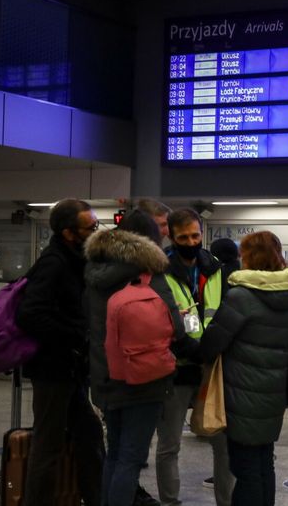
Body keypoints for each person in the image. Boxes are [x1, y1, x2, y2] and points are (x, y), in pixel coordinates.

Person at [84, 211, 197, 506]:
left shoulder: (95, 271)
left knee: (115, 454)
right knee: (131, 460)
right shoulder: (149, 272)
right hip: (142, 379)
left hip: (105, 375)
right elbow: (175, 329)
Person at [15, 199, 104, 506]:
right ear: (69, 233)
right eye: (90, 227)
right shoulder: (53, 262)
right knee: (48, 445)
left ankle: (96, 498)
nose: (96, 231)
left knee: (90, 436)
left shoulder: (76, 259)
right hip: (52, 371)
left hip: (70, 368)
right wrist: (75, 335)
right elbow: (30, 314)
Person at [199, 231, 288, 506]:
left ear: (249, 257)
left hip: (241, 394)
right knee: (265, 463)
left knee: (245, 470)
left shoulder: (241, 296)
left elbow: (212, 343)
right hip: (271, 393)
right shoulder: (287, 296)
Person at [156, 208, 233, 506]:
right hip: (175, 368)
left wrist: (211, 351)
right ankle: (170, 502)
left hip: (210, 367)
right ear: (171, 237)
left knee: (223, 443)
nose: (191, 241)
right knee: (169, 445)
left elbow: (224, 313)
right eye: (183, 237)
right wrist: (194, 351)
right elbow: (162, 321)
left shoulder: (214, 269)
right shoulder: (160, 271)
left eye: (195, 235)